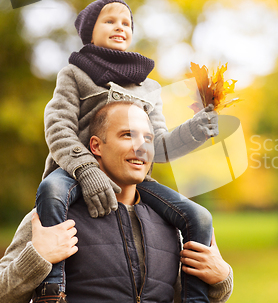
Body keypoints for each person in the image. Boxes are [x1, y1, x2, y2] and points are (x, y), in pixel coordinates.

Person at [35, 0, 219, 302]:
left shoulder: (149, 88)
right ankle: (52, 288)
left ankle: (195, 297)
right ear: (89, 32)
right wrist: (86, 170)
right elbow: (58, 128)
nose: (120, 27)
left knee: (199, 217)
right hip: (75, 170)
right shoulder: (75, 74)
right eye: (109, 21)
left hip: (132, 176)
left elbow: (158, 147)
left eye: (126, 23)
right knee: (50, 192)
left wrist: (195, 130)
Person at [0, 101, 233, 303]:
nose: (141, 146)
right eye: (127, 134)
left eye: (148, 138)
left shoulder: (171, 224)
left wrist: (221, 279)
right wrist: (36, 258)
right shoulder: (54, 218)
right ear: (96, 146)